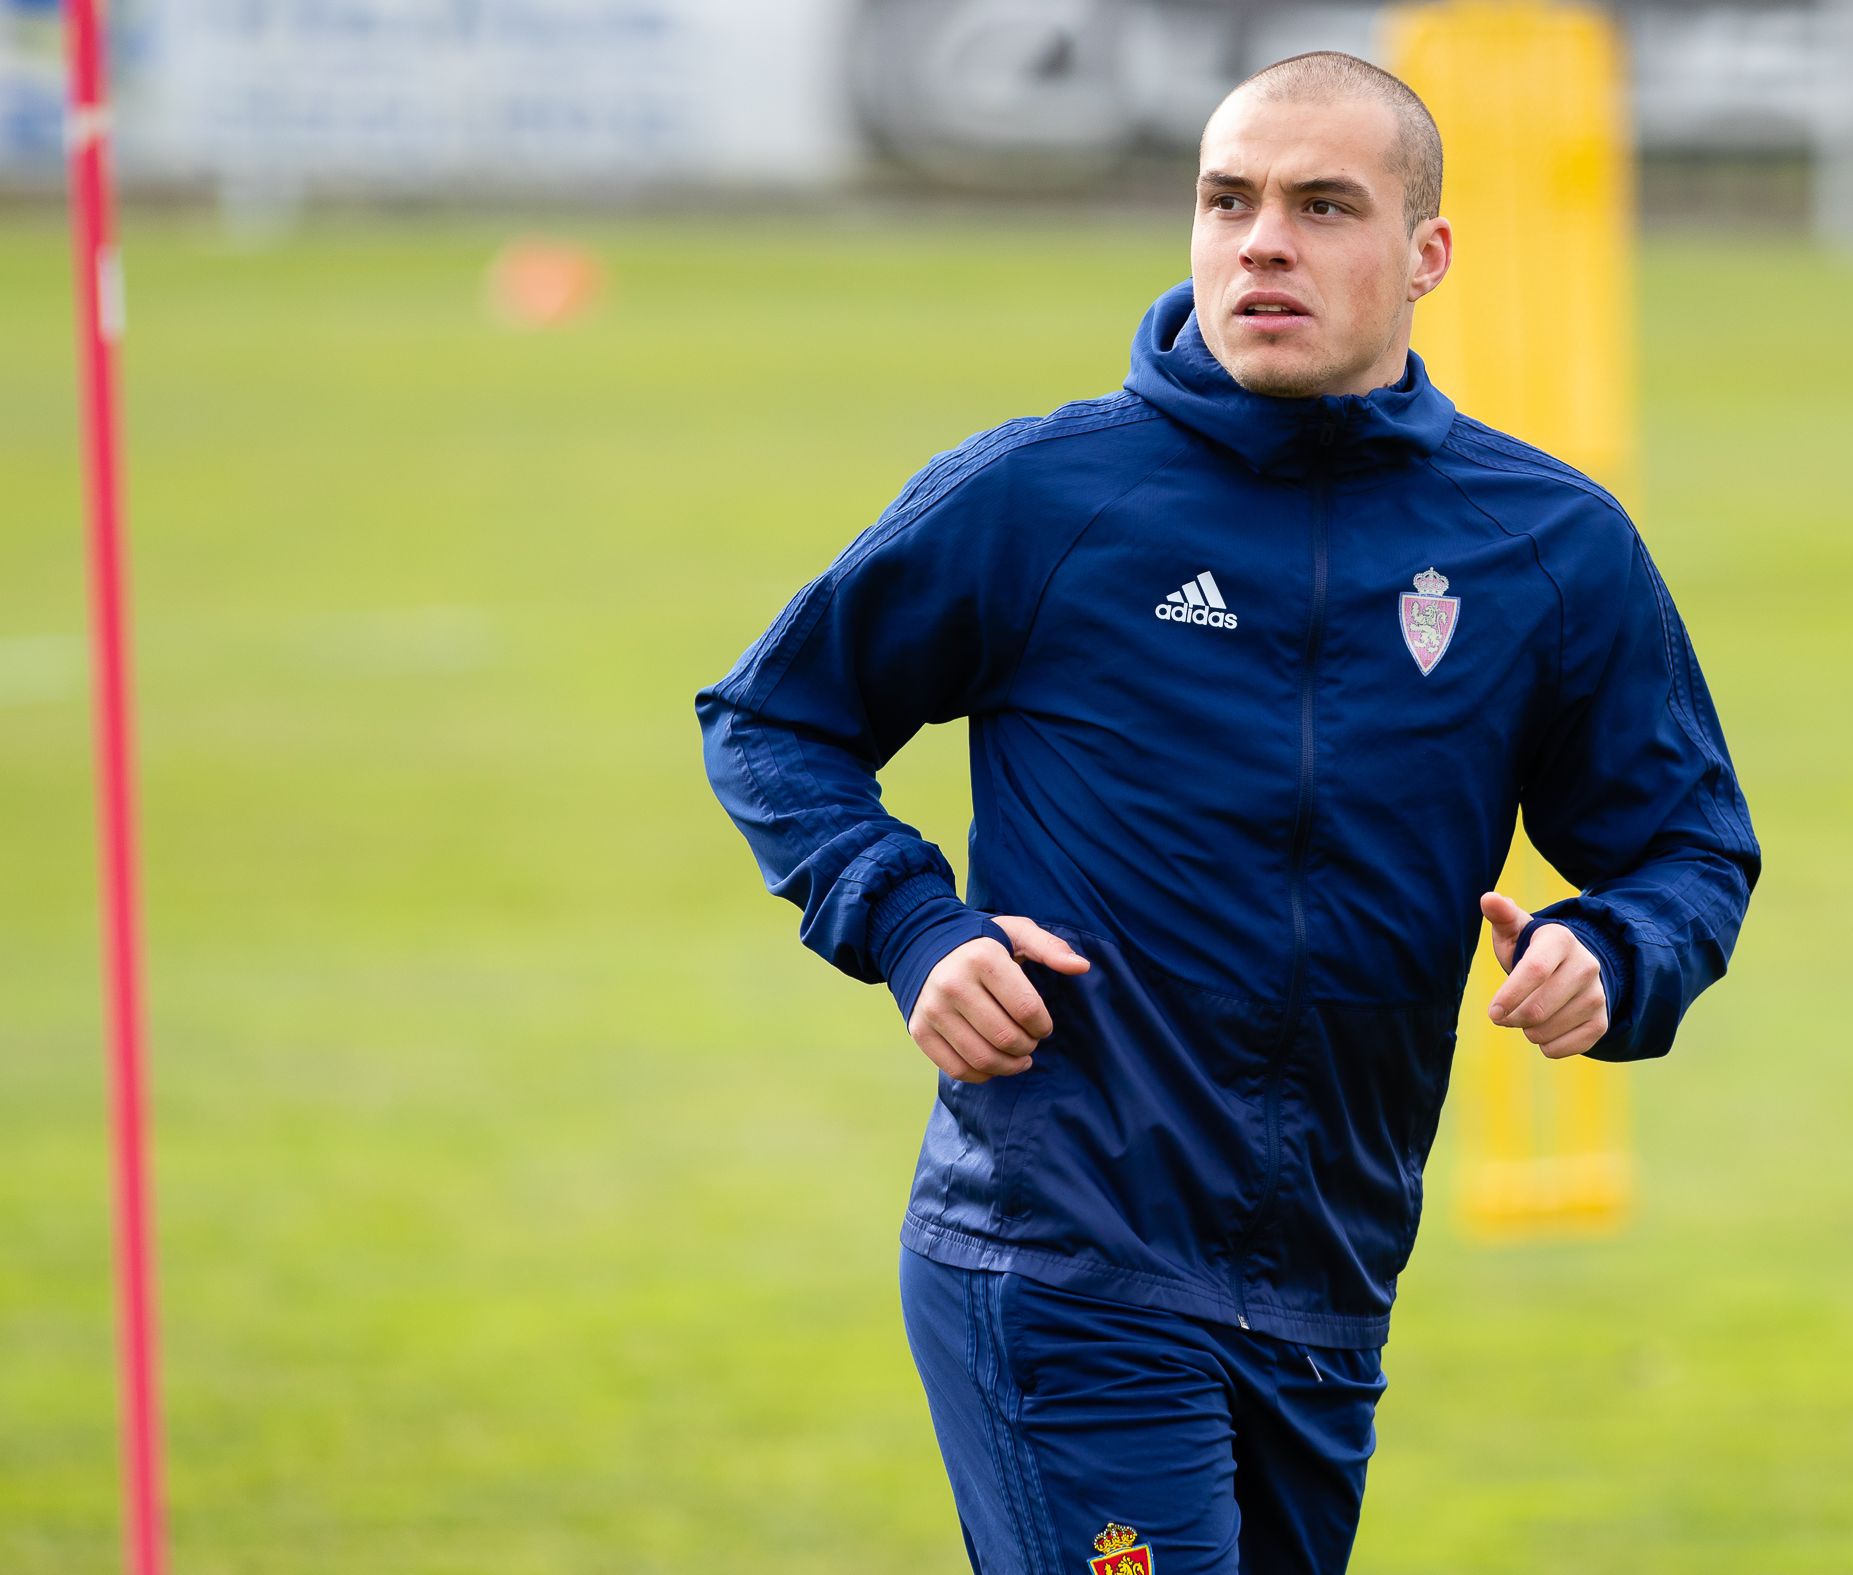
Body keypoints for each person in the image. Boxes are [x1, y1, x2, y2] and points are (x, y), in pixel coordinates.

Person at [695, 48, 1760, 1575]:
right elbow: (771, 716)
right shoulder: (1045, 498)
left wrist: (1621, 949)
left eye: (1323, 206)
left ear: (1425, 255)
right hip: (1063, 1254)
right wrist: (911, 927)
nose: (1261, 241)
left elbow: (1686, 845)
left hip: (1326, 1280)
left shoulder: (1547, 543)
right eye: (1227, 200)